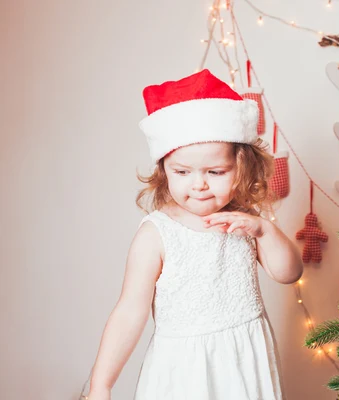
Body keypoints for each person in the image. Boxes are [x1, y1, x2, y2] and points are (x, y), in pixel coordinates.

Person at [85, 69, 303, 400]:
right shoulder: (157, 234)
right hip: (185, 371)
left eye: (215, 172)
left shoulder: (245, 221)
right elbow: (130, 311)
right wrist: (101, 385)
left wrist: (265, 230)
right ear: (164, 170)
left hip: (245, 360)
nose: (198, 184)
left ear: (241, 168)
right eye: (182, 172)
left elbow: (290, 273)